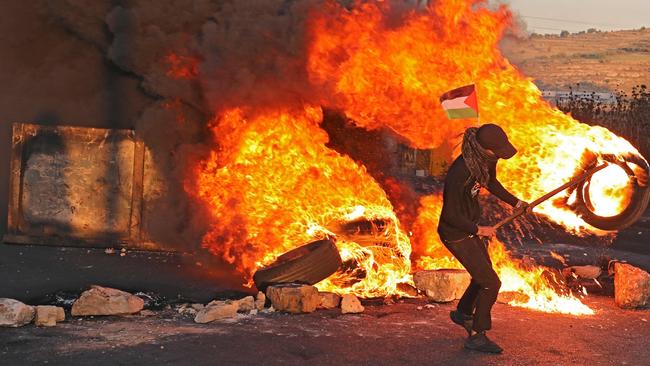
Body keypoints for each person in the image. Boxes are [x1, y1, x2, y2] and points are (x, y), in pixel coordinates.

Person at [437, 123, 528, 354]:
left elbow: (491, 182)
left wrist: (515, 202)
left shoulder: (486, 159)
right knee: (491, 283)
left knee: (482, 276)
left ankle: (463, 313)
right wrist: (477, 229)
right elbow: (450, 215)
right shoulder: (461, 171)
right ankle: (477, 336)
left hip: (467, 229)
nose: (500, 154)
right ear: (486, 148)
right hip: (455, 233)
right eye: (497, 150)